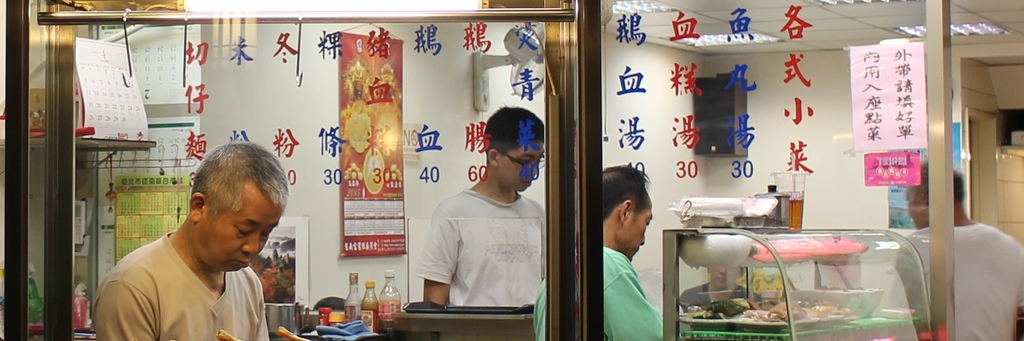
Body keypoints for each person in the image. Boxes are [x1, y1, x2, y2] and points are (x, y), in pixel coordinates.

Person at [94, 142, 290, 341]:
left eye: (265, 233)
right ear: (199, 206)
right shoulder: (134, 286)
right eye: (244, 230)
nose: (253, 247)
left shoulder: (248, 283)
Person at [417, 106, 546, 306]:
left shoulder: (537, 214)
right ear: (494, 157)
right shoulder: (453, 213)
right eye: (525, 161)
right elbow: (434, 302)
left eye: (538, 161)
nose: (533, 171)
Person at [534, 165, 662, 340]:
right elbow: (650, 337)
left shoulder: (558, 272)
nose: (643, 240)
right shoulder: (609, 264)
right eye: (646, 223)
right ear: (625, 212)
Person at [904, 165, 1024, 341]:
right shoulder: (1008, 246)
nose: (909, 212)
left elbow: (902, 320)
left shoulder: (914, 248)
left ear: (925, 198)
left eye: (910, 201)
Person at [678, 267, 747, 310]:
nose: (723, 271)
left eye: (730, 265)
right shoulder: (689, 297)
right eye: (718, 263)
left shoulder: (749, 298)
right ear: (709, 268)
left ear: (740, 272)